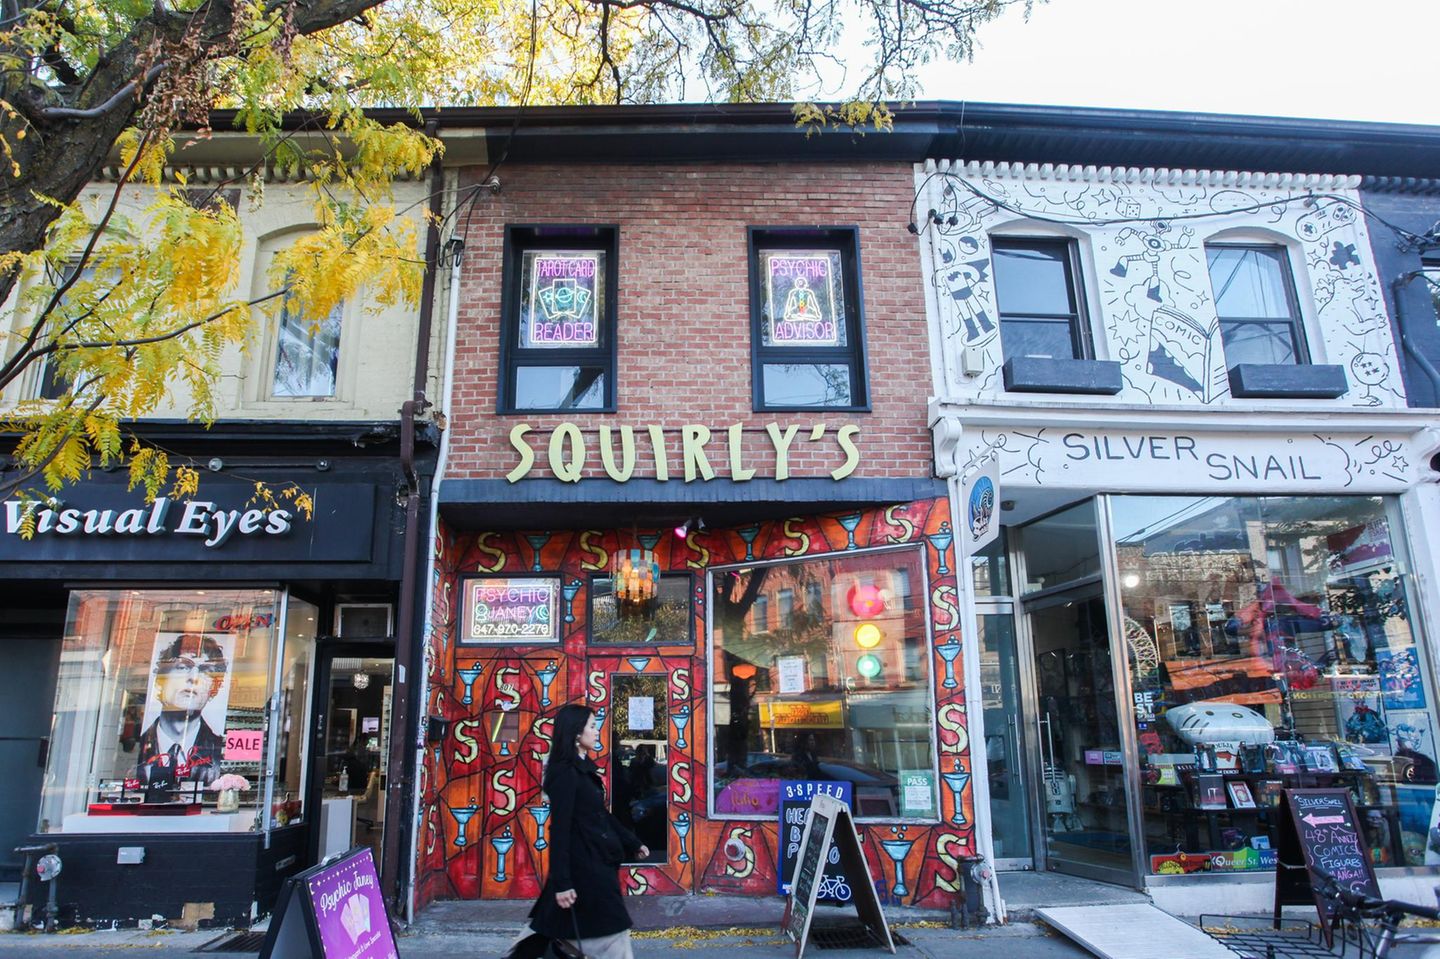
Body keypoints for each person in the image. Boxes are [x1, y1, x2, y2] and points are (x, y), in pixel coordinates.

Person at [506, 704, 648, 959]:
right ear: (575, 734)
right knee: (610, 935)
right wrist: (562, 883)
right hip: (584, 869)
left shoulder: (581, 769)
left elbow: (599, 814)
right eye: (592, 727)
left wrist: (633, 842)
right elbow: (560, 829)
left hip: (593, 864)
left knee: (549, 933)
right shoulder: (566, 774)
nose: (597, 732)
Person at [135, 634, 228, 794]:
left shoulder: (221, 753)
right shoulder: (137, 745)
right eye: (183, 667)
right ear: (160, 678)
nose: (193, 678)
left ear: (214, 688)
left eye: (206, 671)